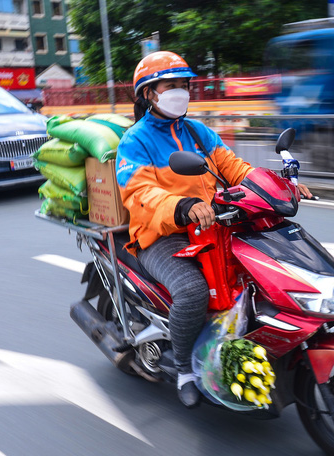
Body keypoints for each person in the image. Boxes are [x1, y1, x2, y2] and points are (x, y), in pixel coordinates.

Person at [116, 51, 311, 408]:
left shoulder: (197, 131)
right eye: (170, 86)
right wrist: (182, 207)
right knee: (192, 291)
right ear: (149, 94)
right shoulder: (135, 141)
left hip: (212, 226)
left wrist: (280, 187)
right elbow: (139, 192)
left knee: (259, 272)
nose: (181, 92)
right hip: (160, 235)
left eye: (184, 85)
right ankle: (185, 367)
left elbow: (234, 167)